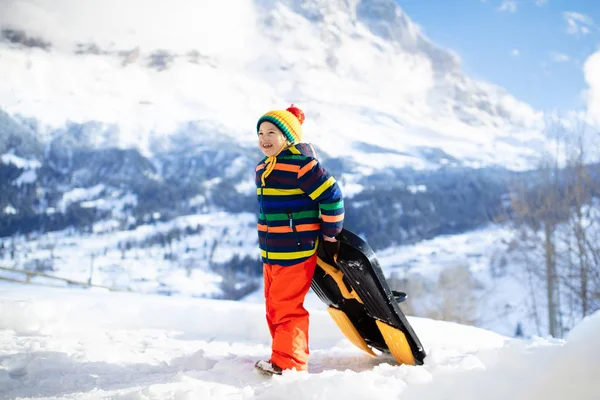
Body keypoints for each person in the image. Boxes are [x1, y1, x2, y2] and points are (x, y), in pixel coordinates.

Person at [254, 104, 344, 375]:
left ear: (289, 137)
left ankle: (289, 364)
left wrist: (330, 233)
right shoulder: (263, 168)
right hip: (271, 252)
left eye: (272, 132)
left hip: (295, 251)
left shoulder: (303, 167)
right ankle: (282, 353)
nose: (264, 138)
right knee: (273, 306)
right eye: (260, 132)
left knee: (286, 307)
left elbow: (332, 197)